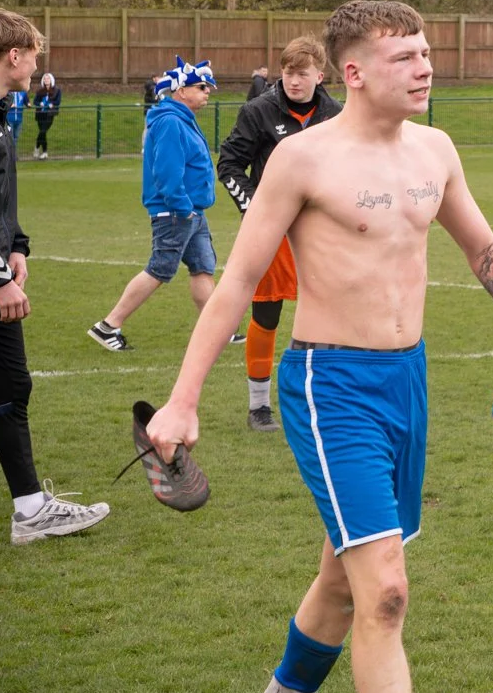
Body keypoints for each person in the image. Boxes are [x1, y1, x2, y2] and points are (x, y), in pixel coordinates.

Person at [141, 0, 493, 693]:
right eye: (405, 56)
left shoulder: (436, 150)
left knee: (341, 587)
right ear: (353, 71)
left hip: (407, 384)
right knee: (385, 592)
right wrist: (183, 401)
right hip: (331, 387)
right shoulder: (302, 158)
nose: (425, 66)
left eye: (426, 51)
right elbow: (236, 282)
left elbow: (486, 251)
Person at [0, 9, 111, 545]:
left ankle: (30, 511)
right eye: (35, 53)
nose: (39, 64)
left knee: (11, 386)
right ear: (14, 55)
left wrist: (16, 247)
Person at [218, 36, 342, 431]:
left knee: (329, 313)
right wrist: (258, 209)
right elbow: (230, 165)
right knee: (266, 314)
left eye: (301, 74)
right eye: (288, 73)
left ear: (319, 76)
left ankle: (325, 400)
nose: (293, 81)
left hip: (323, 233)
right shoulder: (258, 111)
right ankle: (259, 407)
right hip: (270, 233)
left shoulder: (337, 114)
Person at [89, 57, 220, 351]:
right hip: (176, 212)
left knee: (202, 268)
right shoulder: (171, 122)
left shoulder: (181, 119)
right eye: (201, 86)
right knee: (160, 269)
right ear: (181, 91)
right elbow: (167, 171)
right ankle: (108, 325)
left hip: (191, 211)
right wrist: (182, 206)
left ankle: (215, 330)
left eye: (208, 87)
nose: (207, 91)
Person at [31, 73, 60, 160]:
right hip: (41, 114)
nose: (46, 80)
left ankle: (36, 147)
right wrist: (40, 103)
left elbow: (58, 101)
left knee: (43, 131)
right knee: (42, 133)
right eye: (45, 79)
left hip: (49, 114)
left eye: (48, 79)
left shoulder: (56, 91)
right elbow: (35, 101)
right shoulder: (40, 91)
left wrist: (52, 104)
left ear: (51, 80)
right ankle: (44, 152)